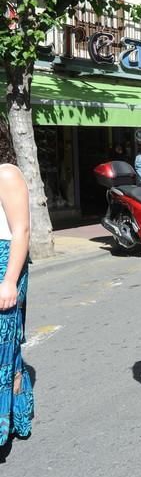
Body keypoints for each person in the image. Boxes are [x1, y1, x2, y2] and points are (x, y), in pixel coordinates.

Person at [0, 124, 34, 448]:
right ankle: (17, 418)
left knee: (2, 351)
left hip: (4, 265)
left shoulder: (7, 173)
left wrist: (8, 281)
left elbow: (21, 231)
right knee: (8, 354)